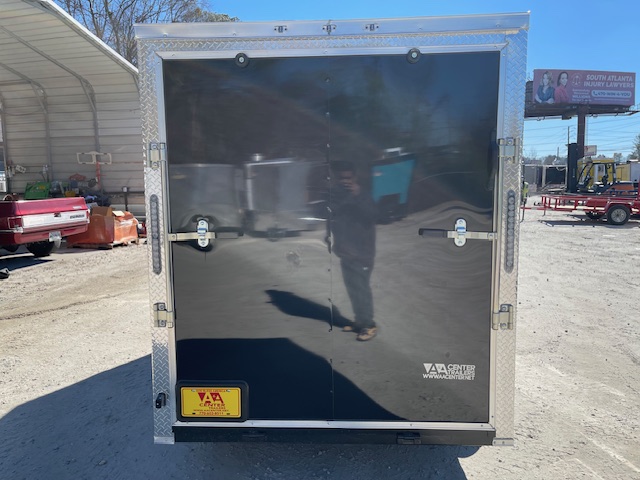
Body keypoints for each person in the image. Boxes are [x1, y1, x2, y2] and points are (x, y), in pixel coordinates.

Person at [328, 161, 378, 341]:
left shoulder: (364, 195)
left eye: (348, 178)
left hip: (362, 253)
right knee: (352, 288)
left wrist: (357, 196)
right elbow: (334, 219)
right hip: (346, 251)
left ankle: (369, 325)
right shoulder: (338, 196)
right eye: (341, 178)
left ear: (355, 178)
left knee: (361, 288)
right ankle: (359, 321)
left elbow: (372, 216)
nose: (345, 181)